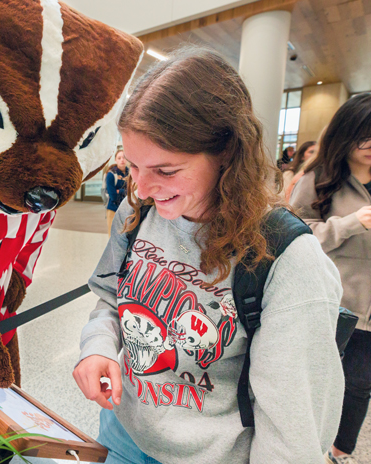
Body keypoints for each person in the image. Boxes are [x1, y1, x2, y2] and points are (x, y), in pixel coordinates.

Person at [73, 47, 344, 464]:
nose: (142, 188)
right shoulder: (137, 211)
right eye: (133, 166)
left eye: (165, 171)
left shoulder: (287, 258)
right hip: (123, 430)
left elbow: (293, 428)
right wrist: (98, 346)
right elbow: (110, 298)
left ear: (227, 155)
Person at [290, 93, 371, 464]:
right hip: (331, 305)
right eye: (363, 135)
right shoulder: (318, 179)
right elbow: (291, 237)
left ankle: (340, 453)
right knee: (316, 382)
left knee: (359, 386)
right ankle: (306, 447)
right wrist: (351, 224)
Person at [105, 148, 130, 235]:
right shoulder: (111, 174)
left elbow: (134, 192)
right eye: (119, 158)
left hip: (128, 210)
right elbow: (113, 195)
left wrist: (120, 191)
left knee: (126, 236)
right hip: (113, 209)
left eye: (124, 157)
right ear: (115, 160)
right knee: (113, 235)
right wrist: (126, 191)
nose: (122, 160)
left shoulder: (131, 173)